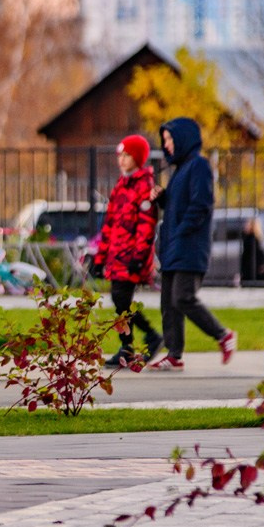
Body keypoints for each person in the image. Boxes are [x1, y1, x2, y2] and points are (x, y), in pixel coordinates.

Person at [144, 117, 237, 371]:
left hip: (190, 246)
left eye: (170, 139)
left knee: (183, 297)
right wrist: (162, 198)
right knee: (168, 302)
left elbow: (201, 204)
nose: (167, 145)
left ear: (183, 138)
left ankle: (223, 335)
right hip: (174, 246)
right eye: (165, 141)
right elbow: (176, 207)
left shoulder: (199, 166)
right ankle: (174, 356)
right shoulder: (179, 171)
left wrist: (183, 230)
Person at [93, 135, 163, 369]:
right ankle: (128, 346)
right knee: (120, 300)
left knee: (121, 298)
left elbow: (146, 226)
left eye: (127, 156)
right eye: (120, 156)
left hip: (132, 257)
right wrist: (100, 256)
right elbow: (109, 225)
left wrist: (139, 256)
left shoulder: (144, 187)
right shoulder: (121, 187)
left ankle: (147, 336)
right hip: (116, 255)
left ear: (138, 159)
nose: (121, 160)